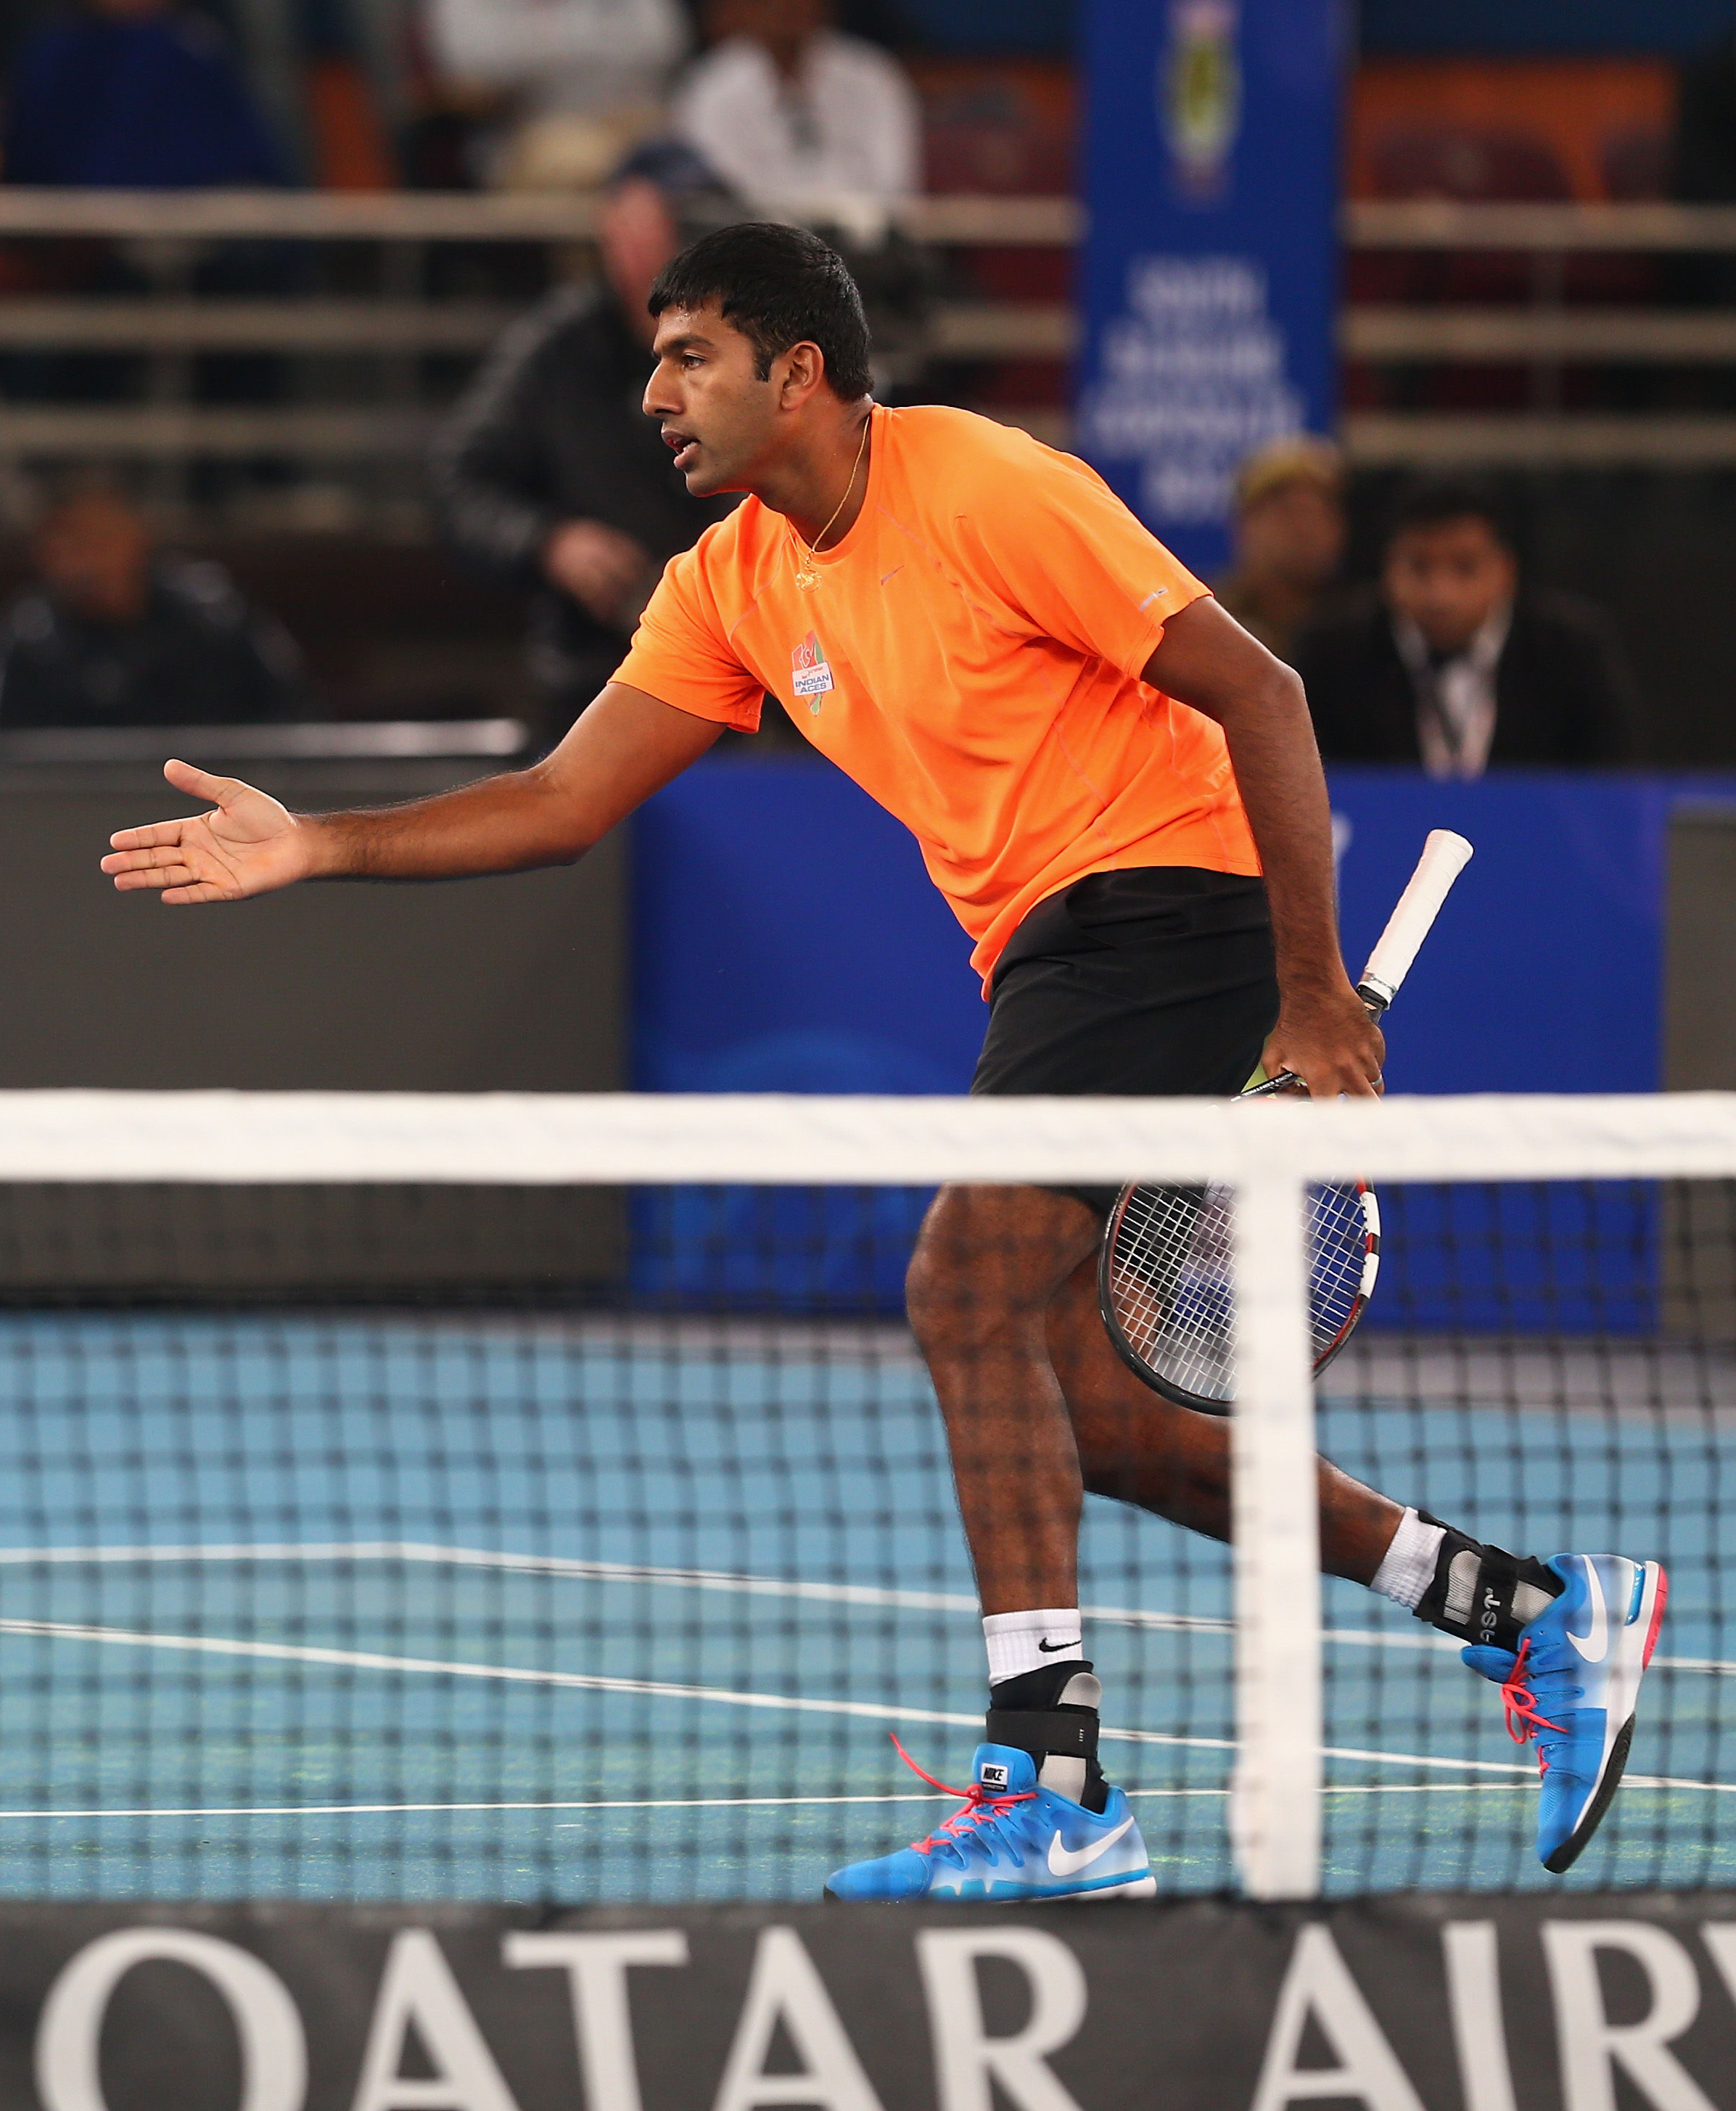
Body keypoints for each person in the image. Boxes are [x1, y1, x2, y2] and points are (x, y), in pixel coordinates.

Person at [102, 221, 1666, 1898]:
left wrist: (1311, 993)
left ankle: (1054, 1785)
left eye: (686, 358)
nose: (652, 398)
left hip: (1168, 903)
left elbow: (1264, 694)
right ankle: (1528, 1610)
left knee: (959, 1284)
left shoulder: (988, 486)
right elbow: (562, 801)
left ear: (796, 371)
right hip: (1049, 953)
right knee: (1084, 1404)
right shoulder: (729, 580)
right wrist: (317, 844)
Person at [431, 160, 736, 735]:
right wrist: (549, 540)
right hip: (596, 670)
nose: (642, 251)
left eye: (664, 230)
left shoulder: (758, 349)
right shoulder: (559, 350)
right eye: (626, 228)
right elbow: (462, 483)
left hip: (751, 663)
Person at [1291, 478, 1636, 778]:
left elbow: (1612, 785)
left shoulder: (1572, 651)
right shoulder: (1333, 653)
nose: (1441, 595)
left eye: (1465, 567)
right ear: (1388, 569)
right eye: (1419, 567)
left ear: (1506, 571)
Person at [0, 484, 309, 728]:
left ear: (138, 538)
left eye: (100, 542)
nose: (86, 564)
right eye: (69, 546)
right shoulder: (28, 636)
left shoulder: (211, 615)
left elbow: (292, 711)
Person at [670, 0, 917, 221]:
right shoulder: (712, 86)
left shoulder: (872, 76)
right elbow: (715, 189)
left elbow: (893, 183)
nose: (790, 7)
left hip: (860, 238)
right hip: (752, 239)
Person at [0, 0, 282, 189]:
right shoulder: (55, 57)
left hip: (203, 241)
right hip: (73, 242)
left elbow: (251, 170)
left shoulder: (198, 50)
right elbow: (25, 167)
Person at [419, 0, 685, 192]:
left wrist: (545, 45)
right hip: (523, 134)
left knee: (684, 160)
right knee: (579, 162)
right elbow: (470, 69)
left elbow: (663, 44)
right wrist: (590, 47)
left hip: (638, 120)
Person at [1210, 434, 1347, 662]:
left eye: (1319, 513)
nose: (1305, 529)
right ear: (1246, 525)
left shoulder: (1365, 634)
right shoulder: (1210, 622)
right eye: (1289, 512)